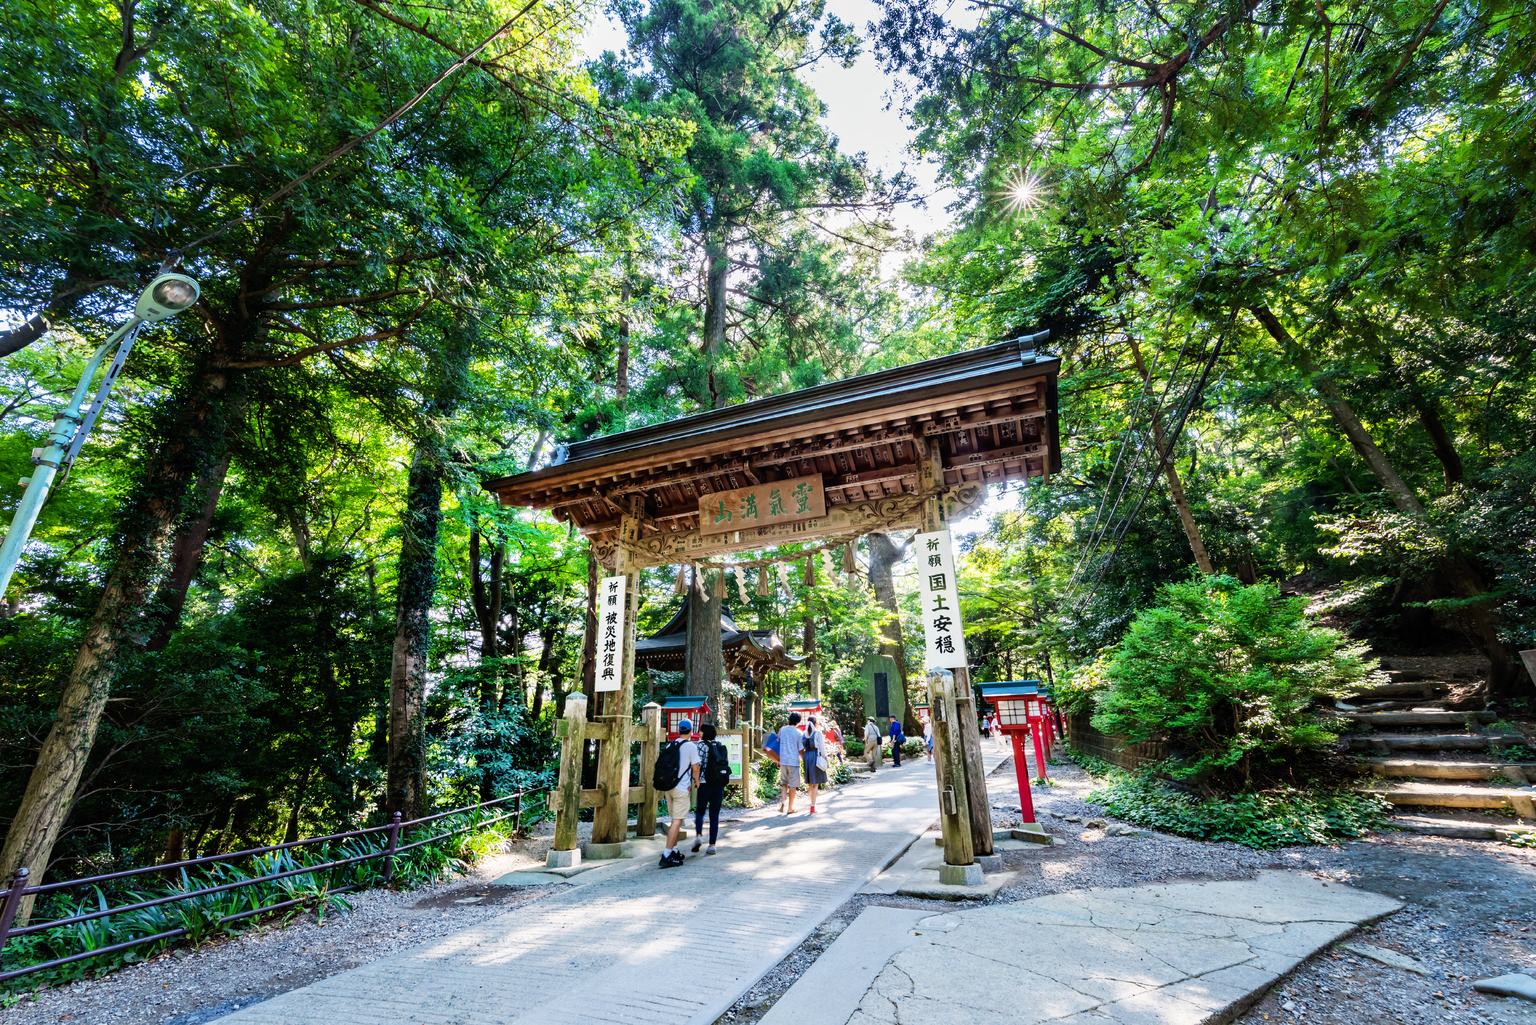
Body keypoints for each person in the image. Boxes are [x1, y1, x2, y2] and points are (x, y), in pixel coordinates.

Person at [659, 718, 702, 868]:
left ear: (679, 730)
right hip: (681, 789)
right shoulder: (690, 746)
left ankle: (674, 851)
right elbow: (695, 768)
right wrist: (696, 782)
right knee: (677, 821)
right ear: (691, 731)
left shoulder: (672, 744)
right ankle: (666, 854)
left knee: (674, 820)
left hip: (669, 787)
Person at [691, 724, 728, 855]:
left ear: (705, 732)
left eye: (700, 731)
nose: (699, 733)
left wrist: (696, 781)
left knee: (700, 812)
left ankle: (699, 836)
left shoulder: (701, 745)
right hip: (719, 784)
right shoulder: (720, 745)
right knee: (714, 815)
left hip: (704, 783)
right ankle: (712, 845)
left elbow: (698, 764)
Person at [777, 712, 806, 813]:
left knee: (784, 783)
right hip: (793, 761)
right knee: (793, 785)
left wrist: (778, 759)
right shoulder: (799, 733)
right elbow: (801, 749)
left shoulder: (782, 730)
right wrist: (803, 760)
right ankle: (790, 808)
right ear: (798, 721)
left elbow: (778, 742)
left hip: (783, 760)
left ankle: (783, 802)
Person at [802, 715, 828, 813]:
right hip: (815, 757)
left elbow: (801, 747)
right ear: (815, 723)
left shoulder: (804, 734)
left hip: (806, 756)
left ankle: (811, 802)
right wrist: (826, 759)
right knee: (815, 783)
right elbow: (822, 748)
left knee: (810, 782)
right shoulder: (817, 733)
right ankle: (813, 806)